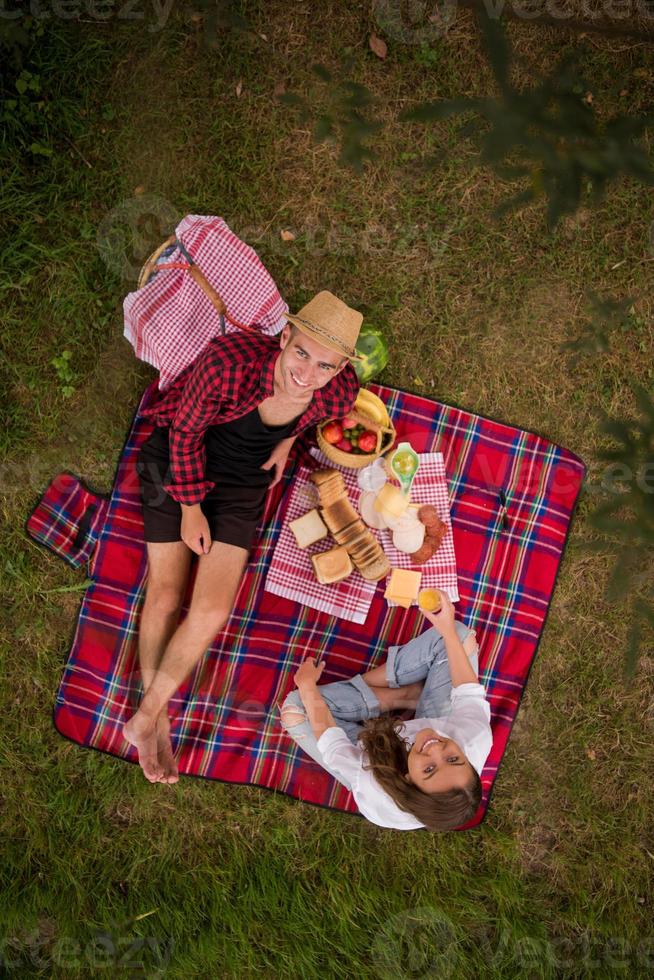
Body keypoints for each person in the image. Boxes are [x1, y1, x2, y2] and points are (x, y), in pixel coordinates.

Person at [123, 291, 362, 784]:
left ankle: (146, 713)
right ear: (284, 337)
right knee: (166, 592)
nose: (307, 373)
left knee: (212, 608)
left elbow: (319, 410)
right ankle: (156, 721)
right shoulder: (228, 363)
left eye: (324, 366)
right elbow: (185, 434)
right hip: (177, 461)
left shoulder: (337, 393)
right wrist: (190, 509)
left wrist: (289, 438)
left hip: (243, 485)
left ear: (338, 371)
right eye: (301, 353)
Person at [279, 590, 492, 830]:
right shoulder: (475, 737)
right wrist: (447, 629)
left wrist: (307, 685)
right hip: (436, 715)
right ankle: (404, 697)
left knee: (296, 708)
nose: (436, 749)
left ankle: (399, 695)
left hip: (369, 752)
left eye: (430, 769)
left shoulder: (372, 781)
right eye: (453, 759)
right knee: (460, 637)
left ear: (408, 780)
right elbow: (467, 691)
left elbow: (333, 744)